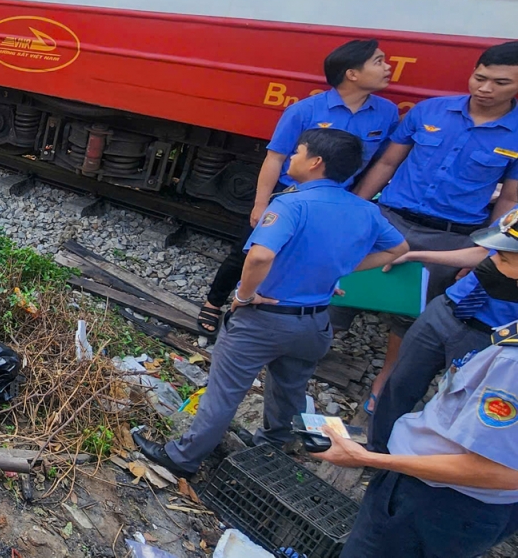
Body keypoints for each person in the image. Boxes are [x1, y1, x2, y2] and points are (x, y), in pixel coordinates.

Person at [134, 128, 408, 476]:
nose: (291, 157)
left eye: (298, 152)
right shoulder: (364, 210)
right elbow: (398, 250)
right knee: (290, 387)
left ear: (315, 163)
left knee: (225, 392)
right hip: (315, 323)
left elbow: (260, 256)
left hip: (266, 318)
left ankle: (183, 458)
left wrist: (244, 295)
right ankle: (273, 446)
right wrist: (337, 272)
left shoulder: (291, 204)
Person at [354, 40, 518, 413]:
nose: (485, 89)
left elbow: (509, 200)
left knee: (409, 314)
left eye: (501, 83)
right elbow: (386, 164)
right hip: (389, 220)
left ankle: (385, 379)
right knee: (344, 287)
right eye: (480, 77)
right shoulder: (431, 110)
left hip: (449, 236)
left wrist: (486, 252)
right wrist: (358, 208)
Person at [197, 40, 396, 336]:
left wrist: (356, 203)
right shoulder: (305, 110)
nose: (388, 67)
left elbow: (379, 164)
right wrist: (260, 204)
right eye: (378, 61)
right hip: (289, 196)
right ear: (352, 73)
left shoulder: (387, 113)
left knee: (306, 255)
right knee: (247, 250)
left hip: (335, 201)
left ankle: (272, 310)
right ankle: (214, 302)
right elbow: (275, 157)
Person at [312, 320, 518, 558]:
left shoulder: (512, 363)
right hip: (457, 499)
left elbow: (502, 471)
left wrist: (366, 458)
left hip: (440, 499)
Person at [368, 208, 518, 451]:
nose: (491, 261)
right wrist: (414, 255)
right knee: (399, 384)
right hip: (448, 308)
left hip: (493, 337)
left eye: (504, 257)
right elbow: (484, 251)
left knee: (460, 407)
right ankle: (376, 451)